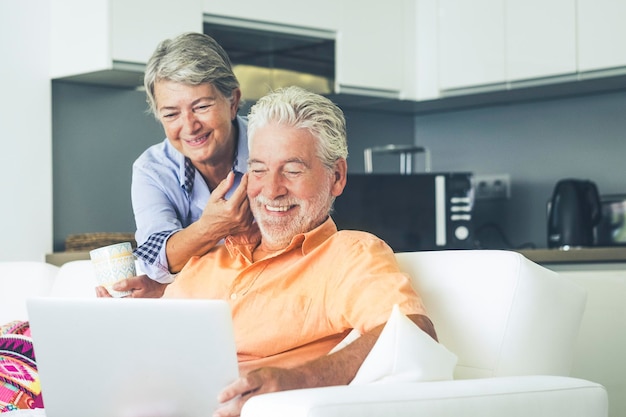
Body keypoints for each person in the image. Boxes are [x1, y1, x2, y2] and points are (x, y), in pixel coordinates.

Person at [160, 86, 438, 417]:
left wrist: (294, 380)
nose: (272, 191)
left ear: (337, 177)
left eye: (292, 170)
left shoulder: (349, 255)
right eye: (259, 170)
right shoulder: (209, 260)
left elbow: (413, 333)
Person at [124, 32, 254, 297]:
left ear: (233, 102)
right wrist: (212, 227)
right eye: (171, 114)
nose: (190, 126)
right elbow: (156, 262)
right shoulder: (152, 169)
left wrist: (180, 273)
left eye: (202, 106)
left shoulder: (270, 149)